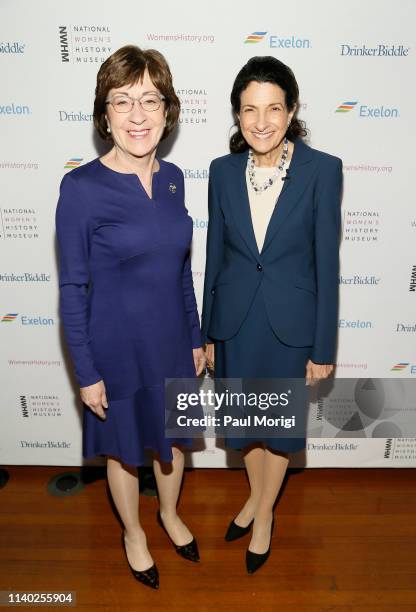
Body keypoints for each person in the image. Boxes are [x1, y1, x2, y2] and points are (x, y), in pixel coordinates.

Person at [56, 45, 205, 590]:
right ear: (105, 113)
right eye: (123, 101)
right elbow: (72, 288)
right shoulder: (80, 189)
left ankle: (169, 514)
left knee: (173, 440)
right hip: (114, 346)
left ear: (168, 111)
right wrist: (86, 371)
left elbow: (180, 270)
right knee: (122, 448)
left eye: (150, 100)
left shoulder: (175, 180)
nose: (137, 115)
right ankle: (134, 533)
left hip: (171, 340)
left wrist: (194, 335)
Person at [201, 56, 342, 574]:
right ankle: (256, 499)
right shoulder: (220, 171)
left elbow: (328, 264)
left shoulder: (323, 170)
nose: (261, 122)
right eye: (249, 110)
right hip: (235, 320)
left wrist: (323, 347)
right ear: (237, 115)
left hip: (290, 326)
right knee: (246, 426)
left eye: (273, 108)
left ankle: (263, 516)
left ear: (292, 110)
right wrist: (207, 331)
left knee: (278, 428)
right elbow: (215, 253)